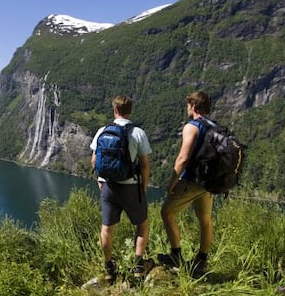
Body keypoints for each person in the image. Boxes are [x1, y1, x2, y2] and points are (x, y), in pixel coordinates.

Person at [90, 95, 154, 283]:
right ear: (130, 110)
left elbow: (94, 160)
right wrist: (142, 188)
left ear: (114, 110)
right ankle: (138, 266)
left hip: (107, 186)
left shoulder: (102, 130)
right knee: (142, 224)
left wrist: (100, 181)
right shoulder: (137, 133)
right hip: (130, 186)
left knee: (107, 228)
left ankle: (109, 267)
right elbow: (144, 166)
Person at [159, 91, 214, 278]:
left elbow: (182, 158)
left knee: (166, 212)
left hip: (191, 181)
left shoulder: (192, 126)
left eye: (189, 105)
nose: (187, 108)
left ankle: (175, 255)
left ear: (194, 107)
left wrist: (172, 182)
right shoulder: (215, 127)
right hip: (209, 184)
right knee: (205, 220)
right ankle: (201, 260)